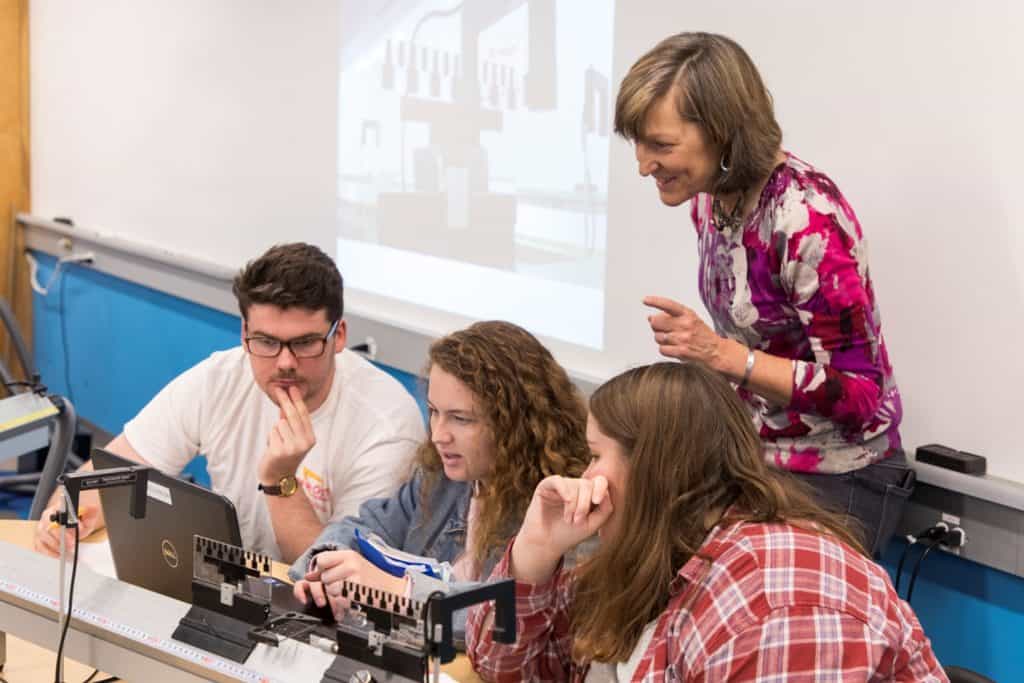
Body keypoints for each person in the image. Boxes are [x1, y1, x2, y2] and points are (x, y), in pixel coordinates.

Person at [614, 32, 911, 555]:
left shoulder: (806, 220)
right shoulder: (711, 202)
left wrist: (720, 355)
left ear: (723, 134)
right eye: (637, 143)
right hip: (761, 460)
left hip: (839, 477)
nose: (643, 165)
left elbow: (862, 395)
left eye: (660, 145)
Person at [467, 362, 945, 682]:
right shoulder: (664, 552)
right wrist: (533, 553)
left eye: (595, 457)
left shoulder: (778, 598)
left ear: (655, 467)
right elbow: (500, 665)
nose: (586, 478)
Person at [34, 242, 424, 562]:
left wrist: (282, 481)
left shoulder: (387, 424)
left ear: (339, 337)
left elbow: (332, 579)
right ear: (244, 333)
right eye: (267, 342)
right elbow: (108, 476)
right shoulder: (220, 378)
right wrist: (67, 515)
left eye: (305, 343)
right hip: (235, 590)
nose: (285, 362)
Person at [291, 320, 590, 623]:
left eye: (461, 419)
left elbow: (513, 618)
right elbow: (362, 528)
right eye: (434, 412)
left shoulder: (562, 504)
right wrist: (326, 566)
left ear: (517, 423)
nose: (438, 436)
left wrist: (401, 591)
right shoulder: (440, 476)